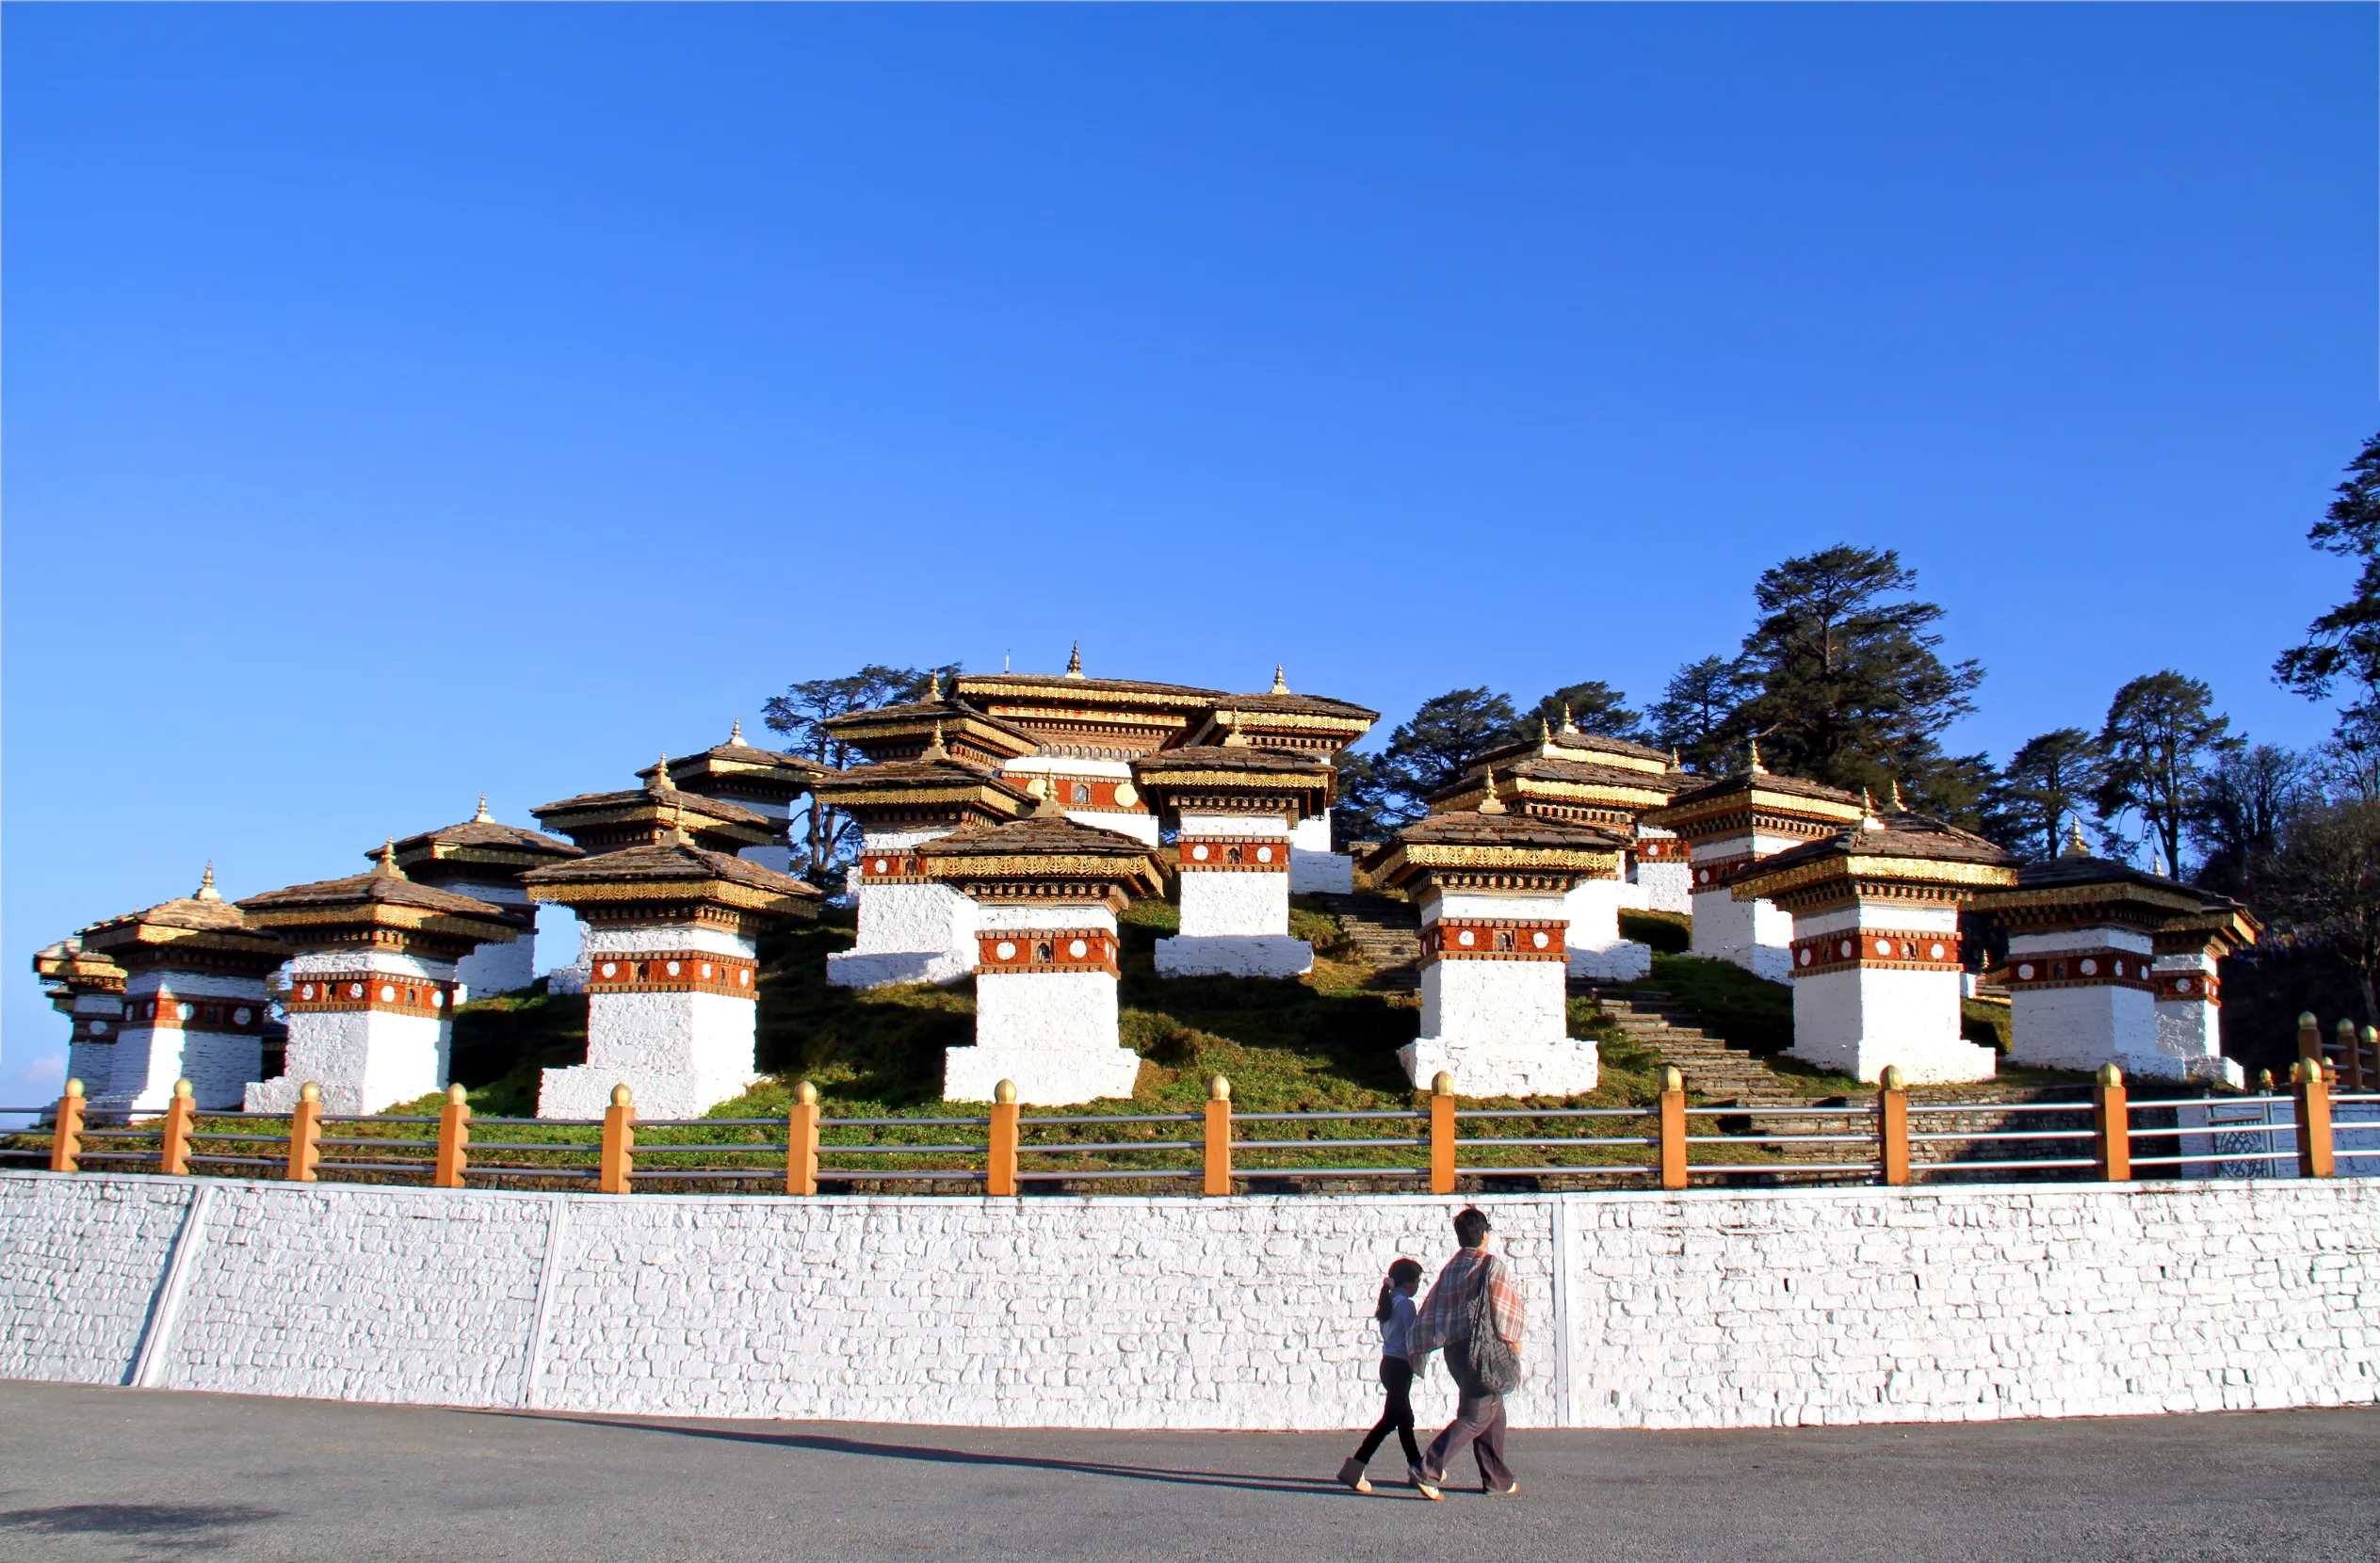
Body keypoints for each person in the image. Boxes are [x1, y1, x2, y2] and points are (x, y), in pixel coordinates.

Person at [1405, 1206, 1526, 1499]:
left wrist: (1420, 1344)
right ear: (1484, 1234)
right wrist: (1513, 1342)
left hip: (1455, 1351)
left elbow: (1433, 1306)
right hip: (1482, 1351)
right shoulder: (1490, 1265)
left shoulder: (1451, 1268)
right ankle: (1427, 1469)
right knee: (1475, 1415)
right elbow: (1504, 1308)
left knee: (1492, 1410)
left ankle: (1497, 1479)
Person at [1336, 1257, 1426, 1494]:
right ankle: (1417, 1470)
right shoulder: (1406, 1305)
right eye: (1417, 1282)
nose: (1418, 1286)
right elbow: (1413, 1337)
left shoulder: (1390, 1301)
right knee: (1395, 1420)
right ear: (1407, 1283)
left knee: (1400, 1420)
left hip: (1388, 1364)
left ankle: (1417, 1468)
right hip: (1400, 1367)